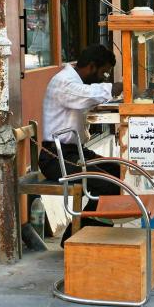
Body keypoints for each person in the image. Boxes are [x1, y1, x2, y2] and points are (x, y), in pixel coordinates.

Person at [38, 44, 124, 244]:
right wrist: (117, 87)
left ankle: (82, 233)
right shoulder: (64, 82)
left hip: (75, 152)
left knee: (119, 172)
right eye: (103, 73)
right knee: (108, 183)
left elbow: (87, 97)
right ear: (92, 67)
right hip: (56, 157)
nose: (104, 78)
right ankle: (80, 239)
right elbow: (86, 95)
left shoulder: (75, 82)